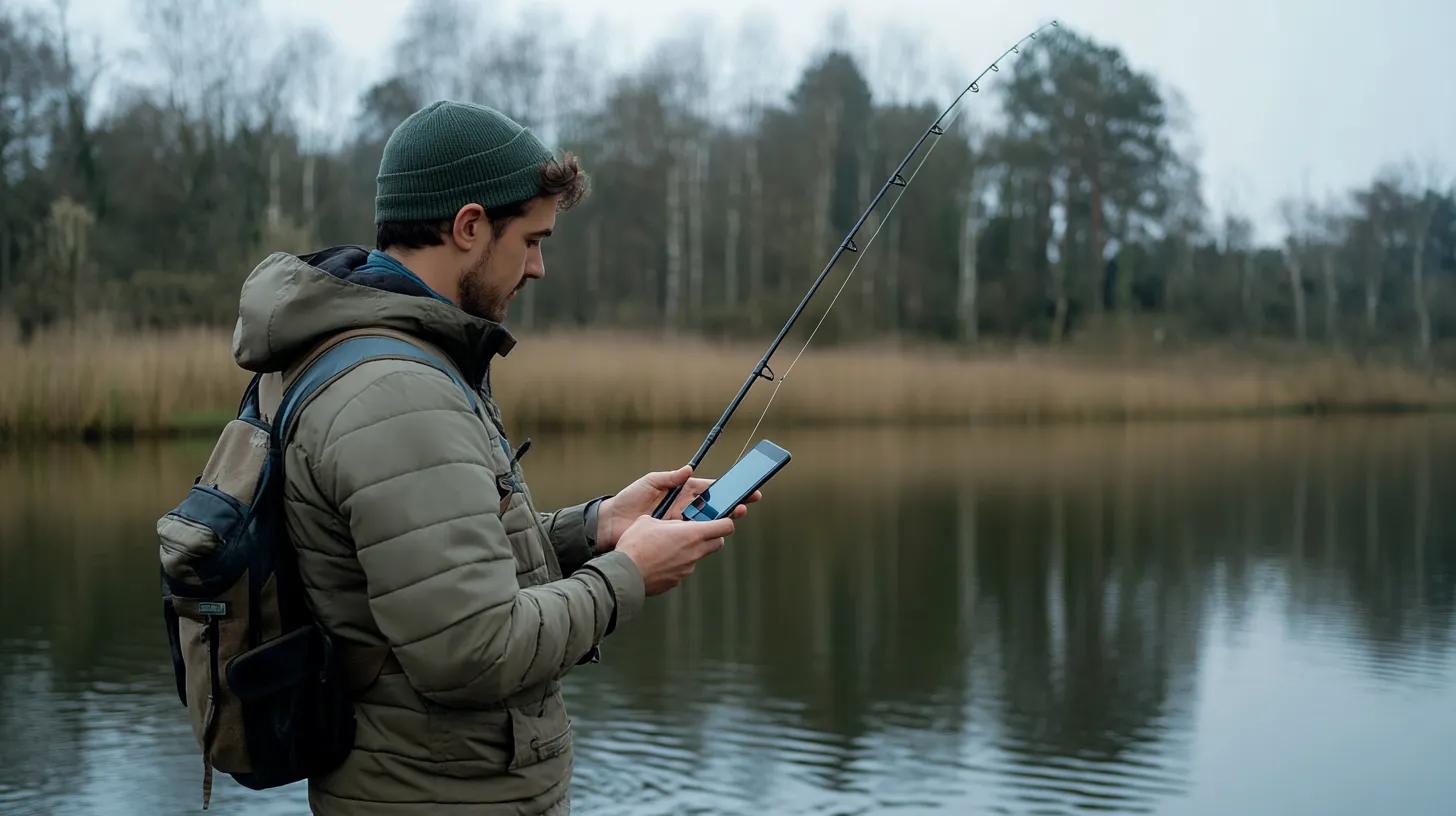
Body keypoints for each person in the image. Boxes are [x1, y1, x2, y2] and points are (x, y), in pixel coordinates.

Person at [228, 100, 759, 814]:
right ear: (469, 226)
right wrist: (628, 574)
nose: (539, 267)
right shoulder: (396, 394)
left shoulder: (375, 356)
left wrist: (595, 525)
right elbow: (473, 649)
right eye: (532, 240)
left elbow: (429, 572)